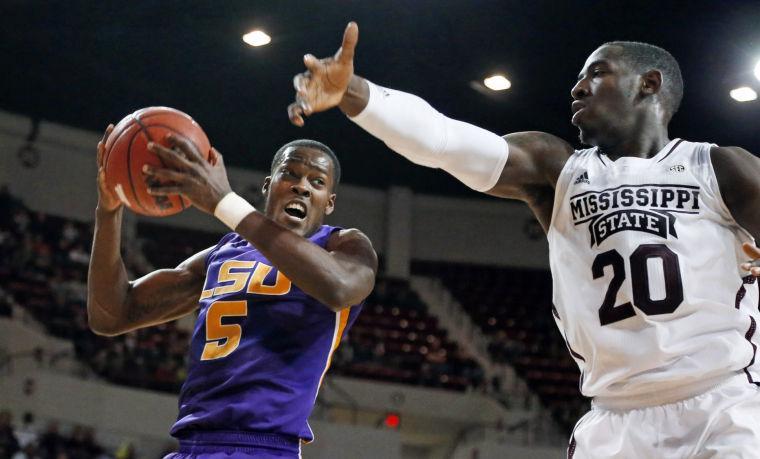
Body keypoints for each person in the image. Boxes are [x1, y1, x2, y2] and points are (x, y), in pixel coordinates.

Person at [288, 22, 760, 458]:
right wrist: (352, 92)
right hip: (616, 419)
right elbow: (444, 141)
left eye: (597, 73)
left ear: (649, 84)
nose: (577, 87)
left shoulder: (719, 168)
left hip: (721, 402)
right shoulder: (555, 169)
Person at [87, 132, 377, 458]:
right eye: (290, 174)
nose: (302, 186)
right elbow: (111, 313)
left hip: (263, 448)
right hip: (192, 446)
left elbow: (339, 288)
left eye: (317, 181)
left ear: (329, 202)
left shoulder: (342, 246)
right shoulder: (224, 252)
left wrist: (223, 202)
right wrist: (108, 210)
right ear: (268, 185)